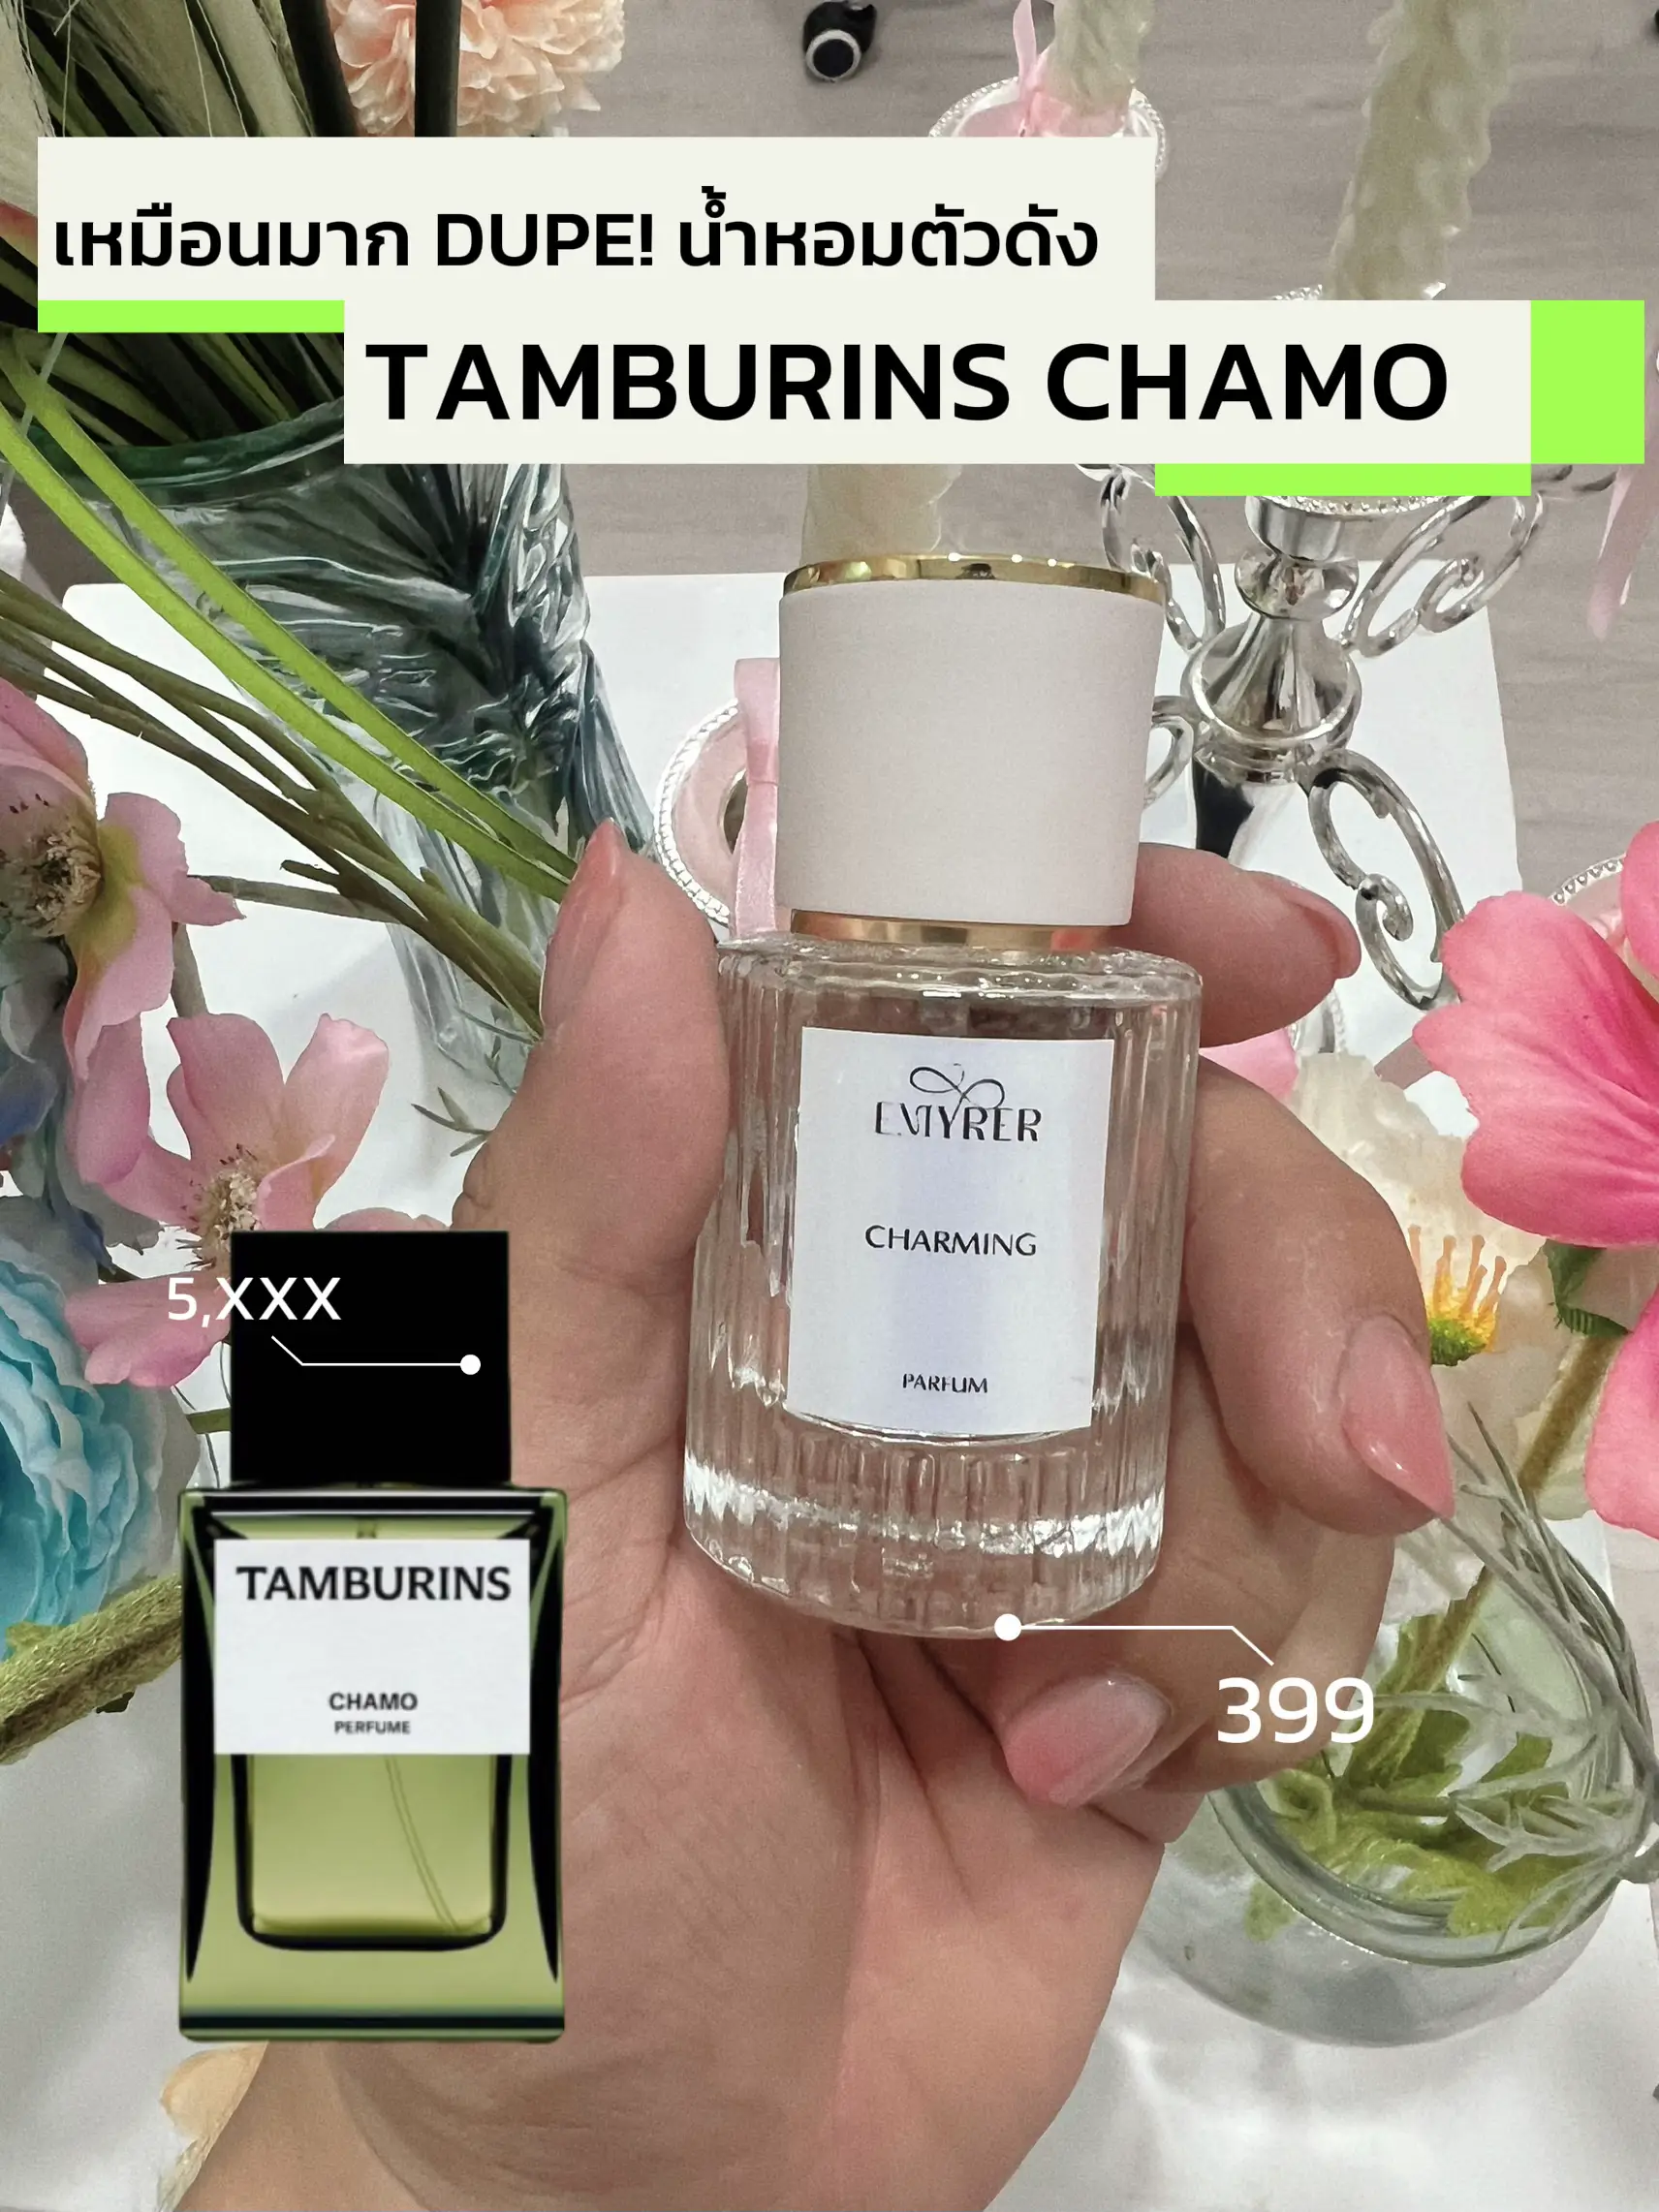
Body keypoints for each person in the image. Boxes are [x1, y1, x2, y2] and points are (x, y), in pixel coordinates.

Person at [187, 830, 1450, 2212]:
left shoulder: (381, 1333)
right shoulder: (433, 1305)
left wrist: (381, 2079)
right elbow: (374, 1377)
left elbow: (358, 1378)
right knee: (368, 1325)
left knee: (363, 1324)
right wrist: (397, 2120)